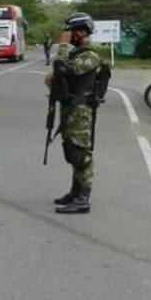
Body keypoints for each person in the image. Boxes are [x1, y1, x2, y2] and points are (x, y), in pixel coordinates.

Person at [48, 13, 109, 214]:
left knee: (81, 153)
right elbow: (60, 73)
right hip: (71, 108)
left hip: (81, 111)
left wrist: (62, 47)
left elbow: (65, 69)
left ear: (82, 32)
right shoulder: (78, 54)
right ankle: (75, 192)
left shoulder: (90, 56)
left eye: (70, 32)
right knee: (72, 150)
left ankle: (83, 198)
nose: (67, 36)